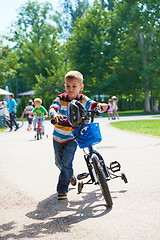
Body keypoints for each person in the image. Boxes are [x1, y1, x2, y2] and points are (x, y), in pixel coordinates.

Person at [49, 70, 109, 200]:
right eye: (68, 86)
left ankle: (62, 190)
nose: (71, 89)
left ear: (80, 87)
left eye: (74, 86)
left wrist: (100, 106)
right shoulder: (61, 98)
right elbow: (53, 107)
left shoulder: (82, 99)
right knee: (58, 162)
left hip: (72, 137)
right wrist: (54, 114)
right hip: (58, 137)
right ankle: (69, 175)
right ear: (65, 86)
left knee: (66, 163)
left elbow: (92, 104)